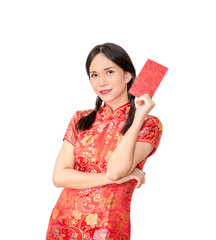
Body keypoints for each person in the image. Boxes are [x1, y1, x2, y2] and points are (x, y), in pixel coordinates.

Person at [46, 42, 162, 240]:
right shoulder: (80, 119)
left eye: (109, 72)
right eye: (94, 75)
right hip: (62, 225)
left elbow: (116, 170)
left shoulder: (149, 124)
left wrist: (138, 117)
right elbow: (59, 177)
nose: (101, 82)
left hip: (107, 228)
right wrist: (113, 179)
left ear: (127, 75)